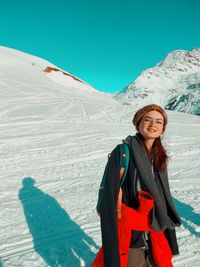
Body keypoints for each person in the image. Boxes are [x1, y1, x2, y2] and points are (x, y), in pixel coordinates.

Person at [93, 104, 181, 267]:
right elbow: (108, 199)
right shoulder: (122, 152)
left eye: (159, 122)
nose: (153, 125)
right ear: (138, 123)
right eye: (147, 119)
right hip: (131, 235)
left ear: (163, 129)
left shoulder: (158, 156)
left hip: (155, 229)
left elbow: (164, 199)